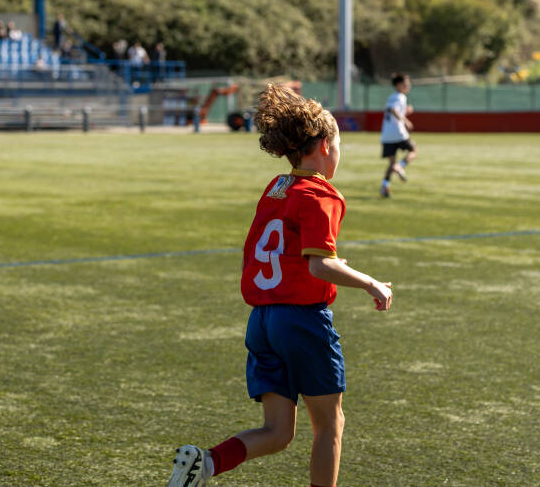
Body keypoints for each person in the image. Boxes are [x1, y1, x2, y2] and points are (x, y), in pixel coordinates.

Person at [166, 84, 394, 487]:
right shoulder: (322, 195)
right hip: (301, 322)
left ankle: (207, 463)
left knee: (278, 432)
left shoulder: (277, 187)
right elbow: (320, 265)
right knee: (329, 426)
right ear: (324, 145)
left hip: (262, 320)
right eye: (339, 143)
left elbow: (277, 251)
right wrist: (371, 282)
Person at [379, 73, 418, 198]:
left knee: (391, 163)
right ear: (399, 85)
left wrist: (406, 111)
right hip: (398, 132)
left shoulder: (392, 97)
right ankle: (400, 166)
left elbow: (393, 110)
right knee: (414, 150)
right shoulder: (401, 97)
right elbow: (394, 110)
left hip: (386, 134)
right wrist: (406, 120)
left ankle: (385, 186)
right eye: (406, 83)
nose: (408, 85)